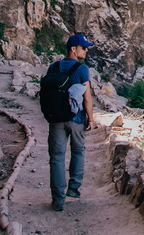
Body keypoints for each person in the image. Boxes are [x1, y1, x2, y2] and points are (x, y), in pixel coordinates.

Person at [47, 34, 96, 212]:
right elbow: (87, 98)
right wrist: (90, 118)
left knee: (57, 157)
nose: (86, 50)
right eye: (83, 48)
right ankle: (73, 188)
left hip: (56, 119)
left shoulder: (53, 67)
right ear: (73, 49)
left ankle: (58, 199)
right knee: (78, 151)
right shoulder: (82, 69)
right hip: (76, 120)